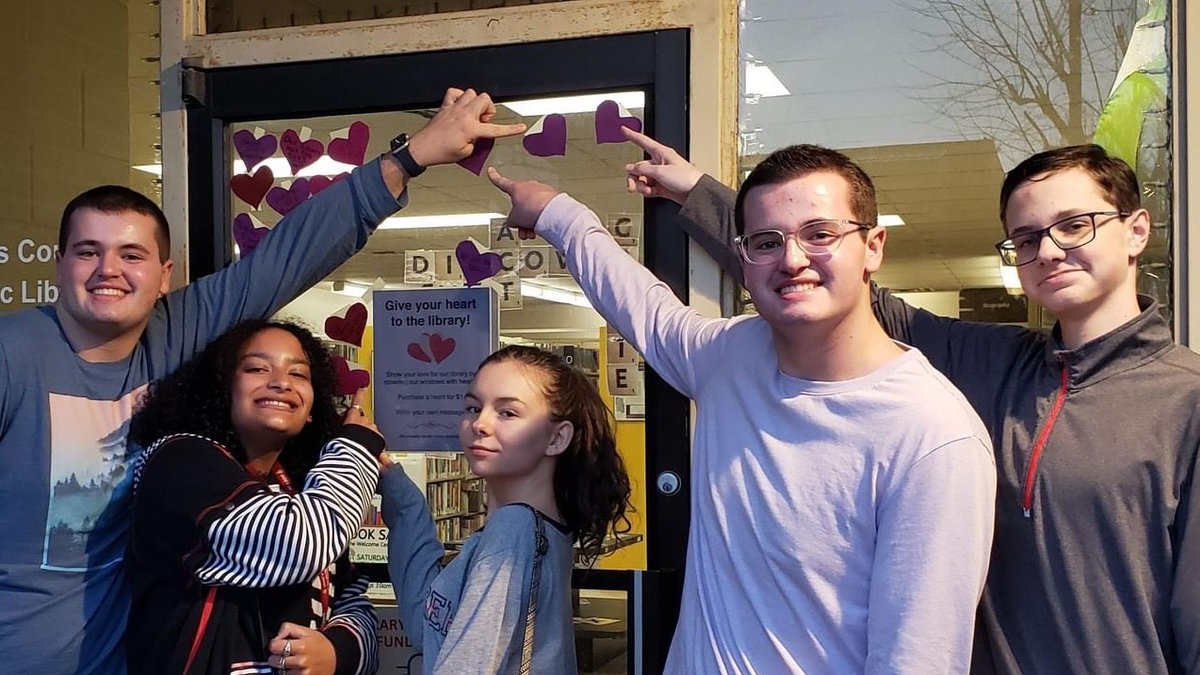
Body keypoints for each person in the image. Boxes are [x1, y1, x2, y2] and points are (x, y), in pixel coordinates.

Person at [626, 130, 1200, 674]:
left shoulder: (1186, 400)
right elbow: (821, 277)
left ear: (1137, 230)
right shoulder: (995, 362)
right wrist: (696, 191)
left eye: (1075, 225)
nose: (1048, 251)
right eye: (1026, 239)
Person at [0, 86, 525, 673]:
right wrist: (355, 450)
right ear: (60, 263)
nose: (109, 271)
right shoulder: (13, 355)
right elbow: (295, 545)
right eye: (87, 251)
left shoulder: (176, 333)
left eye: (132, 254)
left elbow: (287, 257)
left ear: (164, 274)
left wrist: (410, 159)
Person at [486, 144, 997, 673]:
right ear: (745, 257)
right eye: (766, 241)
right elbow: (640, 305)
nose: (792, 259)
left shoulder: (933, 436)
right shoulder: (730, 357)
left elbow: (917, 661)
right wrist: (557, 213)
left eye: (820, 234)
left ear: (873, 247)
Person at [124, 319, 382, 674]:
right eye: (257, 368)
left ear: (311, 410)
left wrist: (336, 651)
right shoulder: (179, 461)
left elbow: (353, 600)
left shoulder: (303, 488)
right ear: (223, 387)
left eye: (299, 375)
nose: (280, 383)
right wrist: (356, 446)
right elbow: (295, 547)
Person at [379, 345, 632, 674]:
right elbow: (426, 628)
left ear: (556, 438)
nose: (479, 424)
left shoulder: (514, 530)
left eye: (507, 412)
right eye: (472, 407)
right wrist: (398, 490)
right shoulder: (535, 531)